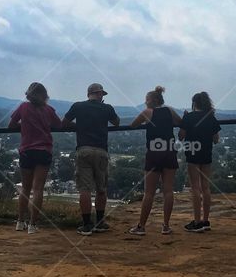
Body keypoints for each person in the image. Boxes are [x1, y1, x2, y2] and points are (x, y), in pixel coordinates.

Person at [62, 82, 120, 236]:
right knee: (101, 189)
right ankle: (100, 222)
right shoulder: (107, 108)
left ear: (88, 94)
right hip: (101, 151)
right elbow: (117, 122)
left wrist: (80, 127)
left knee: (85, 189)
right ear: (100, 94)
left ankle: (87, 224)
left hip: (83, 150)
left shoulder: (78, 106)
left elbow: (64, 123)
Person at [8, 82, 62, 234]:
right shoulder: (49, 110)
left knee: (25, 188)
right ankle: (32, 225)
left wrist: (24, 126)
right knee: (38, 189)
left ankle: (20, 222)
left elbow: (11, 125)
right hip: (44, 150)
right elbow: (59, 125)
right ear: (44, 95)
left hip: (26, 150)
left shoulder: (23, 108)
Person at [128, 86, 182, 236]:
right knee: (168, 190)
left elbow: (133, 125)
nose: (145, 102)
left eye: (146, 100)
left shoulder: (147, 112)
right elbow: (181, 122)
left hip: (154, 152)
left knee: (149, 192)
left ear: (152, 100)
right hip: (169, 151)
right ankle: (165, 226)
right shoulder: (169, 110)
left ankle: (141, 226)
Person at [179, 91, 220, 233]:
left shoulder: (189, 117)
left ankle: (197, 222)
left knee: (195, 187)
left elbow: (181, 136)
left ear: (194, 103)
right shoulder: (211, 118)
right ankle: (206, 220)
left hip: (192, 154)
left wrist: (184, 119)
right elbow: (216, 139)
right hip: (206, 154)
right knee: (206, 187)